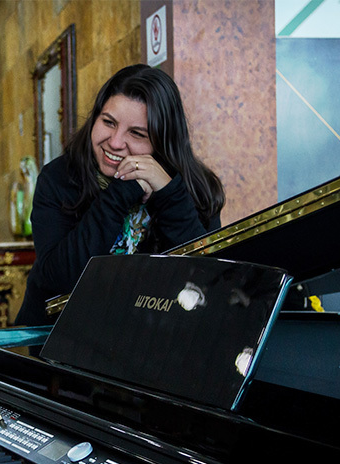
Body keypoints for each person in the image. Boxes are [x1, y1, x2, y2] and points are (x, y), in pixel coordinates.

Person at [16, 64, 225, 326]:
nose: (115, 142)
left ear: (163, 140)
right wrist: (122, 191)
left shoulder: (200, 188)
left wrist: (169, 194)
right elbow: (59, 279)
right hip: (59, 333)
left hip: (151, 338)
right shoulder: (58, 178)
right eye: (108, 122)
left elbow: (205, 282)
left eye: (136, 133)